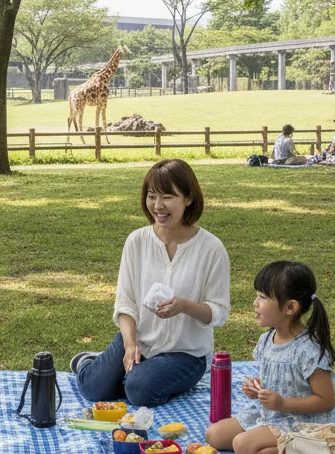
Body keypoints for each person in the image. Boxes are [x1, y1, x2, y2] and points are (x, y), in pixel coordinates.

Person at [70, 159, 230, 407]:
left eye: (167, 197)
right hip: (140, 341)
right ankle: (93, 364)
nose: (158, 206)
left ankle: (134, 376)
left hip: (186, 354)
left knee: (139, 390)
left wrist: (184, 306)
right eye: (152, 196)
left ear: (188, 198)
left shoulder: (211, 248)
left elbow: (219, 313)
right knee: (92, 388)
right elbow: (125, 304)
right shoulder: (136, 241)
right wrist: (130, 344)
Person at [205, 260, 335, 454]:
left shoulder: (308, 350)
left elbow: (326, 401)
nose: (255, 303)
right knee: (214, 435)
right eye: (257, 295)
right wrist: (257, 388)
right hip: (271, 414)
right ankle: (279, 445)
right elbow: (279, 380)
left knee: (243, 446)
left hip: (303, 424)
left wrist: (283, 403)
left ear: (290, 307)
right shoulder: (267, 339)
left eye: (263, 297)